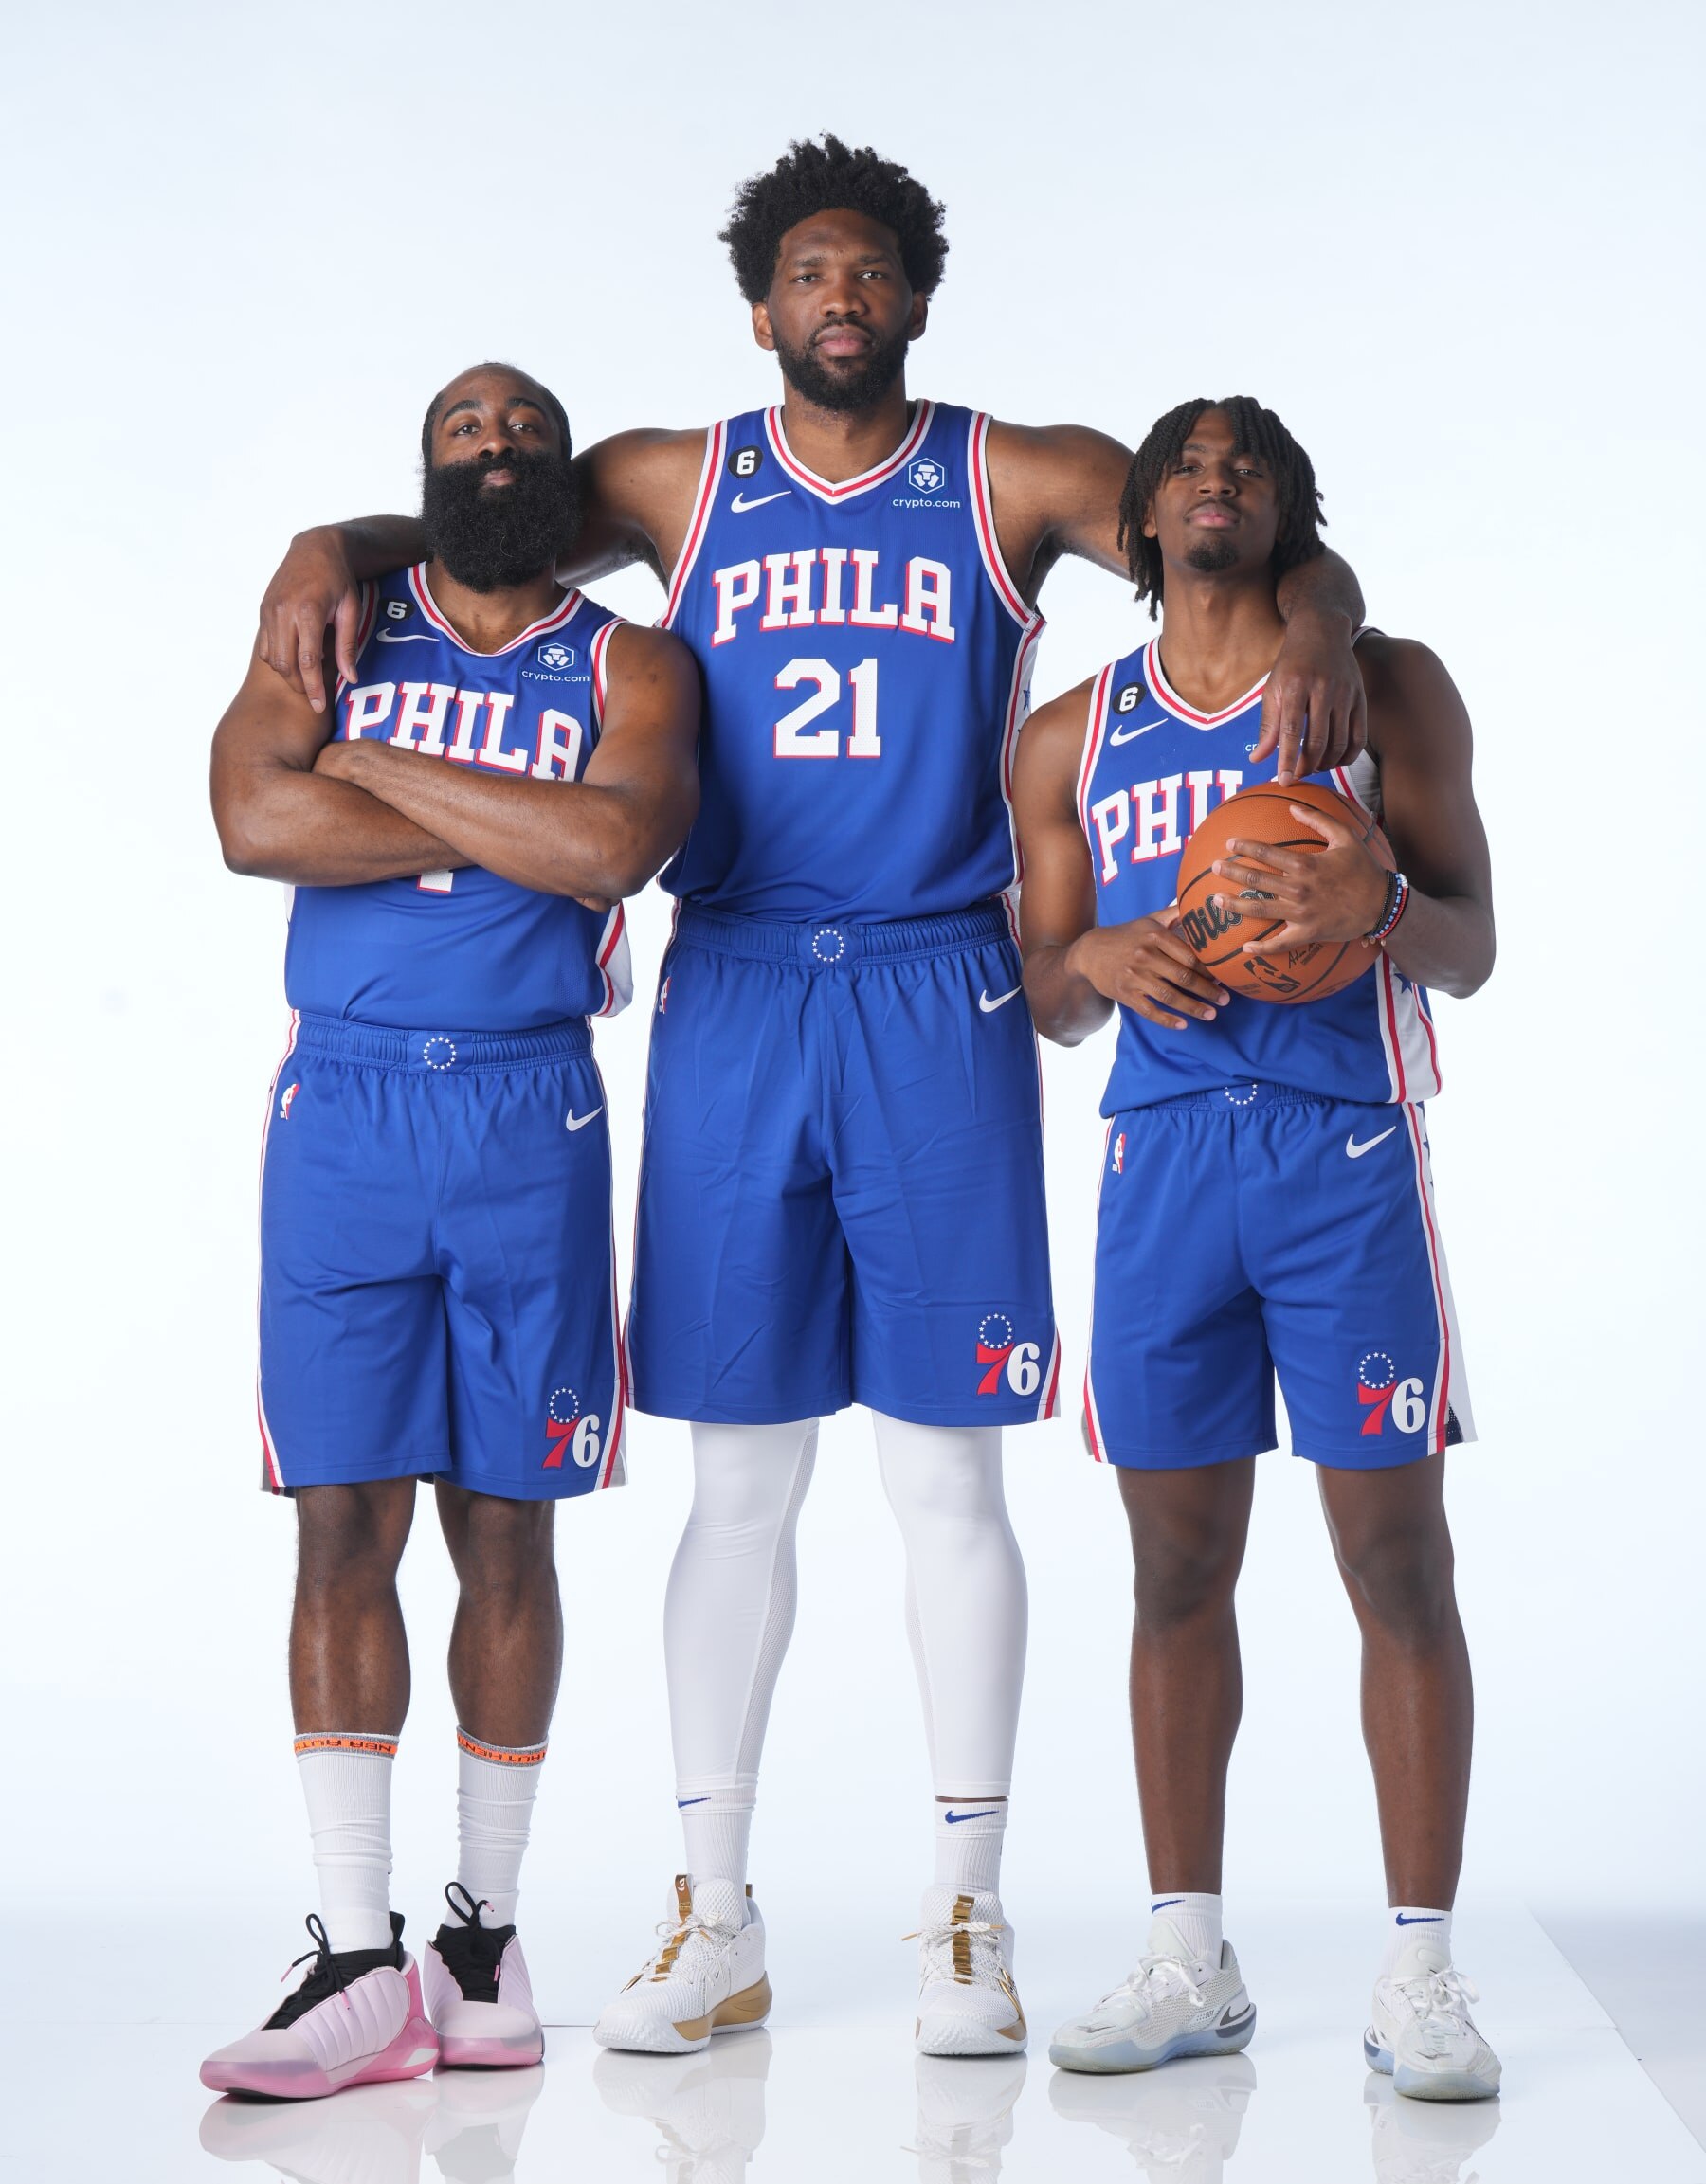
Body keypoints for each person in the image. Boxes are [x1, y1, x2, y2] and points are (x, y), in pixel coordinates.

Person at [254, 136, 1367, 2058]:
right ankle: (718, 1911)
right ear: (760, 305)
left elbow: (1223, 523)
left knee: (950, 1473)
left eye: (871, 272)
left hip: (938, 980)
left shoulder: (1006, 472)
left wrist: (1332, 615)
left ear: (915, 301)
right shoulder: (676, 480)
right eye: (808, 274)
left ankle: (967, 1909)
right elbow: (472, 526)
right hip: (741, 984)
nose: (840, 297)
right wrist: (317, 550)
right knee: (738, 1480)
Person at [201, 363, 699, 2099]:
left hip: (524, 1112)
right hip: (342, 1109)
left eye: (524, 432)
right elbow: (252, 817)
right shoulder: (337, 615)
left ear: (561, 474)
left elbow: (617, 843)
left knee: (510, 1527)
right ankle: (356, 1949)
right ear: (423, 471)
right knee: (339, 1517)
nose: (496, 450)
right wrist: (510, 824)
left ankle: (477, 1938)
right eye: (464, 433)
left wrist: (372, 770)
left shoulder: (631, 663)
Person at [1013, 396, 1498, 2101]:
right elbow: (1053, 990)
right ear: (1141, 516)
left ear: (1294, 510)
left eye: (1253, 467)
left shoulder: (1381, 684)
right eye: (1189, 468)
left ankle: (1422, 1972)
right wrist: (1107, 956)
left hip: (1341, 1155)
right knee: (1172, 1573)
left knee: (1396, 1566)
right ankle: (1187, 1953)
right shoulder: (1070, 732)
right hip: (1164, 1167)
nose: (1218, 485)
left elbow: (1473, 946)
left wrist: (1377, 913)